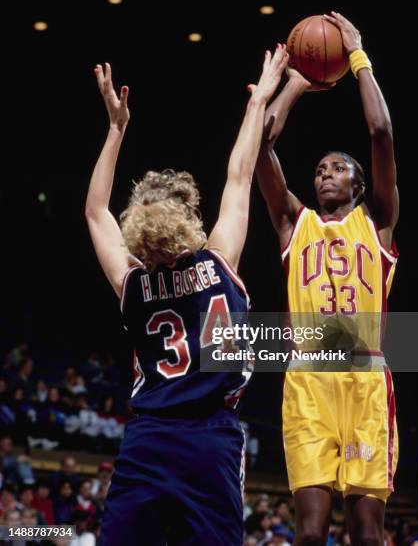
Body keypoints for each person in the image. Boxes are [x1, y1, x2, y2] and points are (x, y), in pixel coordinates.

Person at [86, 46, 289, 545]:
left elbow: (95, 211)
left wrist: (116, 130)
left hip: (149, 438)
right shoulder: (219, 259)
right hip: (209, 437)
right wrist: (257, 101)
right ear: (189, 214)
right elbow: (239, 176)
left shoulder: (132, 283)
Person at [256, 12, 399, 545]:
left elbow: (381, 132)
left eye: (337, 167)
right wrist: (294, 84)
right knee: (310, 532)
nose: (324, 173)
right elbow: (262, 148)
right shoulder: (295, 222)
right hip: (309, 381)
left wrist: (357, 57)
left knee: (366, 532)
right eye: (318, 169)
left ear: (359, 184)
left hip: (365, 381)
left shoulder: (378, 223)